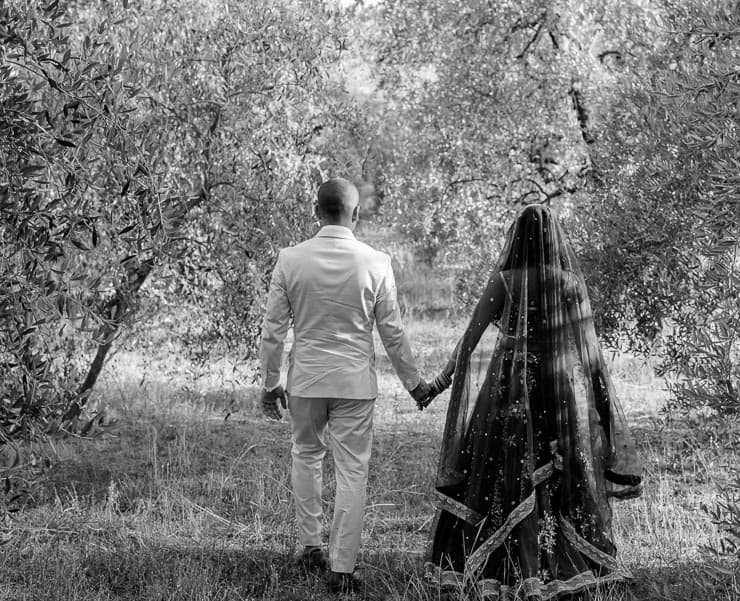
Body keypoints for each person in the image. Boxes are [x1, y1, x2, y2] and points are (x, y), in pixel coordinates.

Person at [422, 204, 643, 600]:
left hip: (509, 386)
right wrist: (603, 408)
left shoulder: (505, 282)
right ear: (552, 240)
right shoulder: (569, 283)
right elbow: (590, 354)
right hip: (559, 389)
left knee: (501, 470)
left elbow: (469, 342)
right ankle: (556, 560)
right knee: (557, 473)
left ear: (516, 239)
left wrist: (438, 384)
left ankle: (507, 563)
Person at [258, 177, 433, 594]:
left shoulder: (290, 259)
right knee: (353, 471)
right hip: (354, 382)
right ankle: (342, 567)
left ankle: (310, 545)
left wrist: (270, 383)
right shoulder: (377, 262)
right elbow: (392, 333)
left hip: (306, 379)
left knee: (306, 455)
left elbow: (273, 330)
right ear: (356, 214)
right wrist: (414, 384)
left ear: (316, 211)